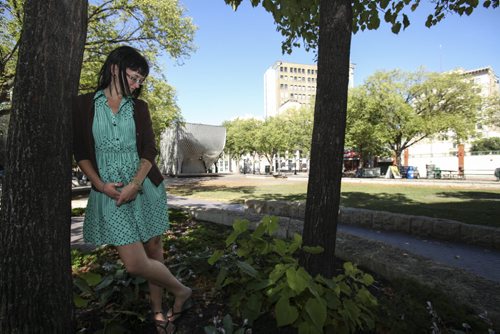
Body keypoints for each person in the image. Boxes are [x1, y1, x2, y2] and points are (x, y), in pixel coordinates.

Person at [72, 45, 191, 334]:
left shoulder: (139, 107)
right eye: (133, 77)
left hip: (144, 186)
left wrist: (136, 184)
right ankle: (182, 290)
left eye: (141, 80)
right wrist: (100, 185)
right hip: (109, 193)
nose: (137, 85)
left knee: (154, 250)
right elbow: (81, 152)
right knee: (136, 264)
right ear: (115, 68)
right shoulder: (83, 105)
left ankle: (159, 312)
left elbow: (149, 150)